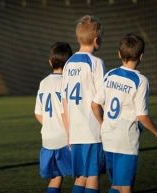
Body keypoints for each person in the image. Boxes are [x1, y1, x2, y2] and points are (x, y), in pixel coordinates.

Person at [91, 34, 157, 193]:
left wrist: (103, 124)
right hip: (126, 140)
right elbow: (142, 116)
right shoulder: (141, 80)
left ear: (119, 54)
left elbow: (95, 105)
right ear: (141, 56)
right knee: (125, 187)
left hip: (108, 137)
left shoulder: (110, 74)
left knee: (116, 184)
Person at [61, 15, 105, 193]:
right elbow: (102, 98)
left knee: (81, 176)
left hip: (75, 132)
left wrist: (69, 132)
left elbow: (64, 101)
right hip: (92, 130)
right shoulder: (96, 63)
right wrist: (105, 124)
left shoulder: (68, 63)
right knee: (93, 175)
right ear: (96, 40)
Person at [34, 42, 73, 193]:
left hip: (48, 140)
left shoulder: (43, 83)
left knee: (56, 178)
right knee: (83, 176)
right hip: (65, 139)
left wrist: (51, 124)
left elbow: (38, 113)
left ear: (50, 61)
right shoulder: (67, 81)